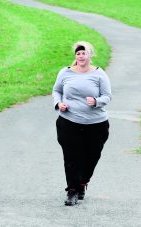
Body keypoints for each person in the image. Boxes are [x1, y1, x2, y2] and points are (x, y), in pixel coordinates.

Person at [52, 41, 111, 206]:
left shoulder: (99, 74)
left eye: (83, 53)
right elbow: (57, 90)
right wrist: (58, 104)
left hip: (96, 124)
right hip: (69, 121)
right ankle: (72, 190)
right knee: (71, 157)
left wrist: (96, 101)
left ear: (89, 55)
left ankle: (83, 182)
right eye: (78, 53)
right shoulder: (65, 72)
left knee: (92, 156)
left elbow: (107, 96)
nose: (80, 56)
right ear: (75, 56)